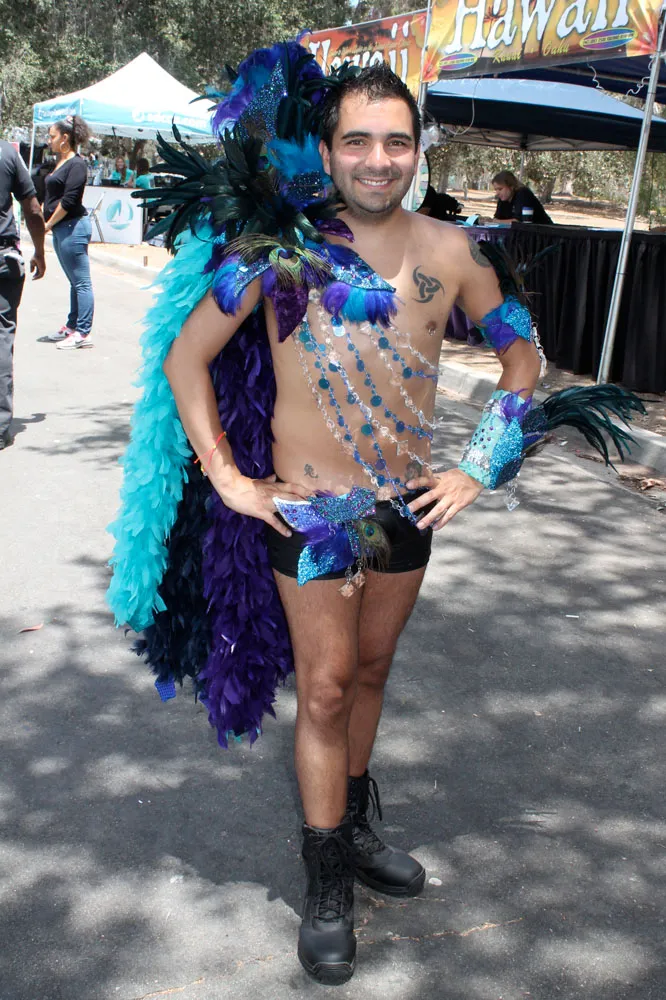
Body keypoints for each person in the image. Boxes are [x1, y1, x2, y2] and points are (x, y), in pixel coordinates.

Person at [107, 45, 644, 986]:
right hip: (310, 520)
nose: (377, 159)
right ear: (328, 150)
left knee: (369, 673)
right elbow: (185, 360)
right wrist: (230, 479)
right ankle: (326, 878)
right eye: (357, 141)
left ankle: (352, 829)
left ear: (418, 150)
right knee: (323, 690)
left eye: (396, 142)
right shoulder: (275, 253)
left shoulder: (456, 254)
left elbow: (524, 357)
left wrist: (480, 463)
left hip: (407, 515)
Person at [0, 140, 46, 449]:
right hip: (3, 258)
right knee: (1, 336)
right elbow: (32, 209)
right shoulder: (7, 153)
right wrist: (39, 251)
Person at [42, 116, 95, 349]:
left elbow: (69, 200)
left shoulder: (77, 165)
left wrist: (47, 224)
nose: (49, 141)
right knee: (74, 282)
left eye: (52, 136)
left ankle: (83, 332)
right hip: (63, 229)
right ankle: (72, 326)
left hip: (73, 227)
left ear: (65, 138)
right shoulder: (61, 163)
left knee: (81, 283)